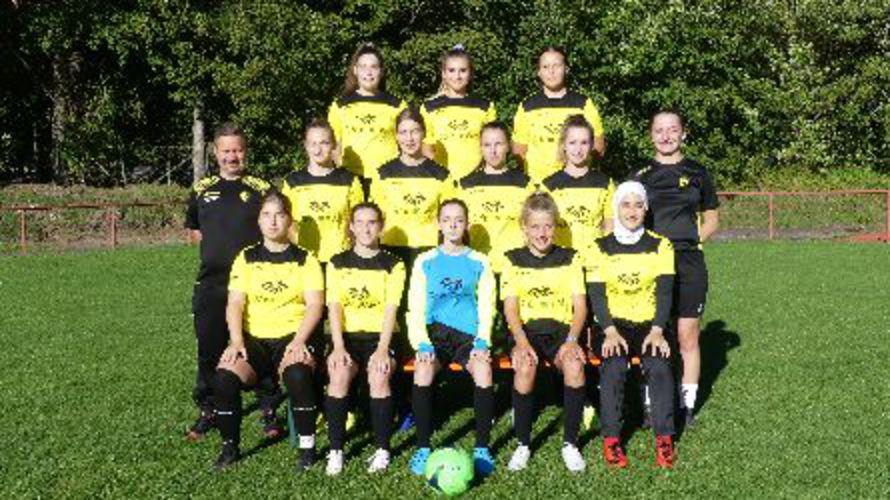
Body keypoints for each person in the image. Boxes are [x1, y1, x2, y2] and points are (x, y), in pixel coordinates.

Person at [211, 191, 325, 471]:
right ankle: (229, 448)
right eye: (267, 215)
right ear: (259, 221)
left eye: (279, 215)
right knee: (224, 377)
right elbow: (235, 303)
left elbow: (315, 305)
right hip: (255, 340)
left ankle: (307, 448)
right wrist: (236, 341)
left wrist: (299, 340)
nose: (273, 221)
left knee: (298, 375)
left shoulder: (305, 259)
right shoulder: (246, 258)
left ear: (290, 221)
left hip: (291, 337)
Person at [183, 122, 280, 442]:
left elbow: (276, 226)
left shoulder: (261, 188)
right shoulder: (201, 188)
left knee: (260, 345)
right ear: (215, 152)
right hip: (212, 284)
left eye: (237, 150)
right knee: (209, 348)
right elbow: (194, 229)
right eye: (226, 151)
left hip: (254, 283)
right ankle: (209, 407)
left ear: (245, 151)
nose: (232, 156)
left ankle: (268, 406)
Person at [630, 110, 720, 427]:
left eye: (672, 129)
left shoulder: (698, 172)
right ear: (651, 135)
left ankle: (687, 406)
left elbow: (712, 220)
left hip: (688, 262)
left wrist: (693, 242)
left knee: (687, 334)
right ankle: (650, 403)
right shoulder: (639, 175)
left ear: (683, 133)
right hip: (650, 262)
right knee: (652, 332)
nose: (666, 136)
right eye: (659, 130)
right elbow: (626, 218)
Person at [586, 181, 676, 468]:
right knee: (613, 366)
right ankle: (612, 439)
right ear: (616, 208)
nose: (632, 211)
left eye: (639, 205)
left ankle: (664, 438)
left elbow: (665, 293)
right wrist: (610, 331)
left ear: (646, 209)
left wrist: (658, 330)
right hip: (612, 325)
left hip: (651, 325)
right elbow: (597, 295)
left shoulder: (661, 245)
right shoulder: (598, 247)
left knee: (659, 365)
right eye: (626, 204)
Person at [406, 199, 497, 477]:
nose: (453, 225)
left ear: (467, 224)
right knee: (423, 370)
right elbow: (415, 306)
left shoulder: (480, 261)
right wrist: (422, 342)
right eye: (447, 219)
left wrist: (482, 340)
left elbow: (487, 305)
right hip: (435, 335)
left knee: (483, 370)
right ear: (439, 224)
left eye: (459, 220)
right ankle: (423, 447)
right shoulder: (425, 261)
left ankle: (482, 448)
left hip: (468, 336)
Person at [501, 192, 588, 473]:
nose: (542, 233)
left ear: (555, 226)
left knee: (574, 366)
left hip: (562, 331)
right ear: (524, 228)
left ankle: (570, 444)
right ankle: (523, 444)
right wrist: (521, 342)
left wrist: (572, 340)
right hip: (527, 331)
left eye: (548, 226)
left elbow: (580, 307)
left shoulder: (570, 258)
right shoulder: (512, 260)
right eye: (535, 226)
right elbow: (510, 308)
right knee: (525, 366)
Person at [323, 202, 406, 475]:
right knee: (338, 373)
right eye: (359, 222)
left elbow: (391, 309)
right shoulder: (337, 263)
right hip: (347, 338)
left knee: (379, 375)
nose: (366, 228)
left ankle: (382, 450)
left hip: (382, 337)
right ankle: (336, 450)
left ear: (381, 226)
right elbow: (334, 307)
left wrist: (382, 349)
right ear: (351, 227)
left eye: (372, 222)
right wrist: (338, 347)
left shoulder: (394, 264)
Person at [512, 46, 606, 183]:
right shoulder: (527, 106)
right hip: (538, 186)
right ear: (539, 72)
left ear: (566, 69)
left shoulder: (583, 104)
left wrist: (579, 171)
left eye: (557, 65)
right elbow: (519, 151)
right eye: (545, 67)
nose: (551, 71)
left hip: (575, 184)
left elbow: (598, 147)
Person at [453, 121, 535, 275]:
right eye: (487, 145)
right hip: (477, 269)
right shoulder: (465, 185)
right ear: (480, 148)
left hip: (514, 268)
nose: (493, 151)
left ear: (508, 146)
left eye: (498, 144)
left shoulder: (525, 184)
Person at [281, 118, 364, 265]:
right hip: (304, 261)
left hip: (340, 260)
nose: (318, 150)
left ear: (333, 145)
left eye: (324, 143)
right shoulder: (292, 182)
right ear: (305, 146)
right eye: (313, 143)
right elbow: (285, 224)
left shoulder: (349, 181)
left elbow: (359, 224)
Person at [328, 43, 407, 194]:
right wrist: (341, 173)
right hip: (352, 179)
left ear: (381, 71)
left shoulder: (397, 105)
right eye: (363, 66)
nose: (368, 72)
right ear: (355, 70)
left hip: (387, 179)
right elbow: (334, 147)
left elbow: (407, 144)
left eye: (374, 67)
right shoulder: (339, 106)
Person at [541, 114, 614, 268]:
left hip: (595, 266)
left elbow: (610, 227)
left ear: (591, 145)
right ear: (563, 145)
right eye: (572, 142)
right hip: (561, 265)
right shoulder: (548, 186)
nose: (578, 149)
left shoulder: (605, 183)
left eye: (584, 142)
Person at [420, 45, 498, 180]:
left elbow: (493, 146)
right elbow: (426, 148)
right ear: (443, 74)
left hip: (477, 180)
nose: (457, 76)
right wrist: (439, 174)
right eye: (451, 70)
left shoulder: (485, 107)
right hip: (442, 180)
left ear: (471, 73)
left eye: (463, 70)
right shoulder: (429, 107)